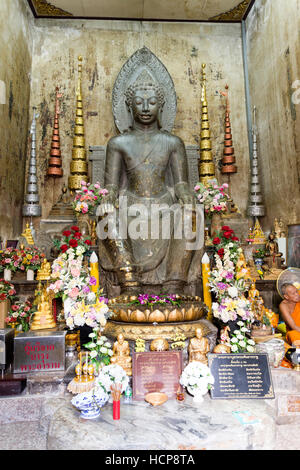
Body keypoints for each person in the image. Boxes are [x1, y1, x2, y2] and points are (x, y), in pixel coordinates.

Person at [98, 70, 199, 295]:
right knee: (105, 212)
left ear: (160, 105)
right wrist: (109, 197)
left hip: (164, 205)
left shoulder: (173, 142)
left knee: (192, 212)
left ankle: (174, 284)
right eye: (139, 102)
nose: (145, 108)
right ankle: (129, 283)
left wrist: (185, 195)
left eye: (152, 102)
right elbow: (112, 186)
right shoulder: (118, 143)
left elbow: (181, 183)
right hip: (131, 205)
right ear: (129, 106)